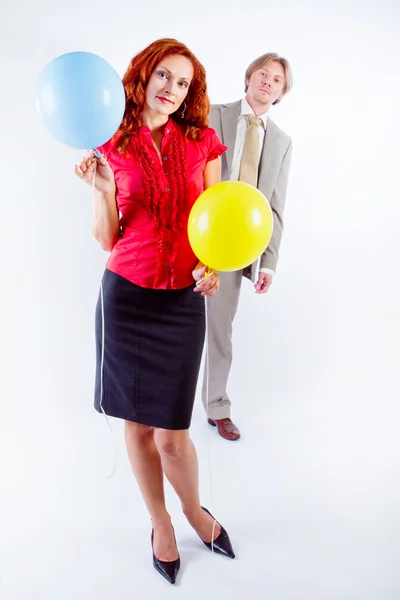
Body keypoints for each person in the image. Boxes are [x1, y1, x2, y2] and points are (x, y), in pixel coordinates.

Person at [75, 38, 235, 585]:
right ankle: (161, 522)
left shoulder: (202, 142)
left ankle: (194, 511)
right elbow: (107, 240)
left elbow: (215, 219)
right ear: (143, 76)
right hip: (126, 295)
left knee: (173, 433)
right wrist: (100, 191)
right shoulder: (110, 142)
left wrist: (212, 265)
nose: (171, 89)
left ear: (192, 92)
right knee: (138, 428)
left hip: (181, 302)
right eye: (163, 76)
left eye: (183, 82)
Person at [202, 52, 293, 441]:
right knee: (174, 322)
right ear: (248, 78)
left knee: (220, 328)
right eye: (263, 74)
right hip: (193, 229)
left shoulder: (283, 143)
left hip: (233, 246)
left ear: (281, 94)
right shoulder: (211, 114)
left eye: (277, 81)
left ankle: (216, 406)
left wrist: (268, 263)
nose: (268, 82)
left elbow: (275, 204)